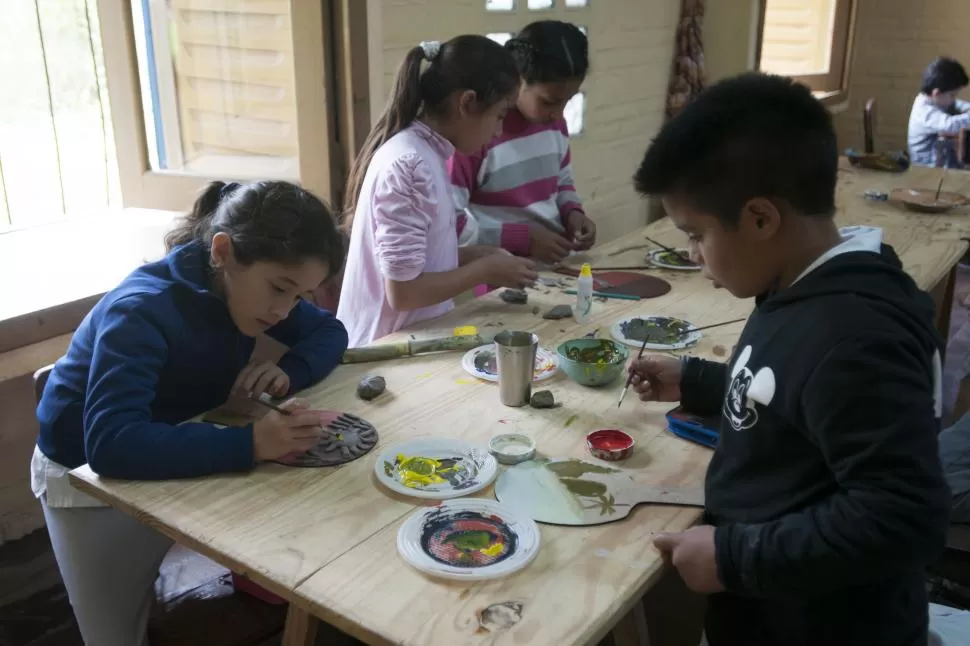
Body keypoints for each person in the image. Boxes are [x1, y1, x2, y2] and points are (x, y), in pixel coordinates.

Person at [628, 73, 951, 645]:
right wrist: (700, 379)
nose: (692, 254)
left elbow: (903, 517)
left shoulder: (854, 336)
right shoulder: (801, 287)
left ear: (759, 218)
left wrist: (736, 557)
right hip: (771, 609)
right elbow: (792, 391)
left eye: (696, 234)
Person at [30, 180, 349, 646]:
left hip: (174, 443)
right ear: (223, 251)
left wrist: (288, 371)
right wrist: (253, 443)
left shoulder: (248, 288)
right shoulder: (142, 309)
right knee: (114, 636)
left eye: (300, 296)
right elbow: (111, 445)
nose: (285, 311)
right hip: (87, 481)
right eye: (281, 289)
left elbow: (330, 334)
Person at [338, 36, 538, 348]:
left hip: (413, 340)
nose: (498, 131)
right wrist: (483, 270)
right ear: (467, 103)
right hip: (381, 350)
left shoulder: (428, 153)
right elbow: (403, 293)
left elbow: (413, 262)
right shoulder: (410, 165)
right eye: (499, 115)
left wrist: (471, 256)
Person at [450, 20, 595, 266]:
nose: (559, 114)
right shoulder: (479, 134)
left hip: (556, 267)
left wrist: (573, 213)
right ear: (518, 80)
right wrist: (523, 239)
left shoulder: (555, 124)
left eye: (568, 101)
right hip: (503, 274)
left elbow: (562, 180)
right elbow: (452, 224)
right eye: (549, 101)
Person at [908, 57, 970, 168]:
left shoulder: (937, 100)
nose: (954, 99)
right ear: (936, 93)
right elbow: (950, 125)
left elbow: (957, 104)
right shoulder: (924, 111)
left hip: (941, 159)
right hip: (926, 168)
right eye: (952, 95)